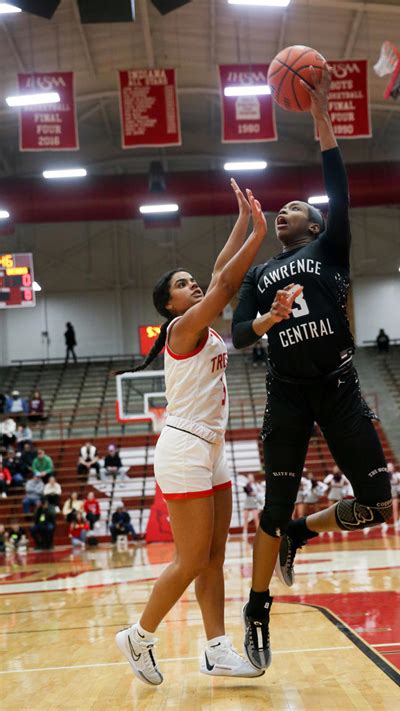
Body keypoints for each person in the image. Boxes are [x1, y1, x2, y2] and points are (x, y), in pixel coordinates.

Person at [231, 62, 392, 671]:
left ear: (316, 224)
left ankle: (306, 532)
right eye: (282, 210)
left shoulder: (331, 248)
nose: (284, 213)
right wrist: (269, 318)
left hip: (341, 387)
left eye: (295, 208)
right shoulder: (260, 273)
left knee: (376, 505)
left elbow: (336, 181)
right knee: (272, 510)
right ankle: (257, 608)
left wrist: (321, 106)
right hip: (288, 396)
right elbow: (240, 333)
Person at [115, 178, 267, 686]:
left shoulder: (196, 323)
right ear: (169, 305)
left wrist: (242, 219)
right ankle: (139, 635)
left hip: (213, 448)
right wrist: (259, 236)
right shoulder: (183, 329)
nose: (193, 285)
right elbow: (226, 285)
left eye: (189, 280)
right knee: (190, 558)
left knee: (217, 556)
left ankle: (215, 648)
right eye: (182, 284)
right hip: (184, 445)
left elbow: (219, 272)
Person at [385, 462, 400, 529]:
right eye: (389, 467)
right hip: (387, 495)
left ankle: (396, 522)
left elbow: (399, 482)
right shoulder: (385, 475)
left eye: (391, 467)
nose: (390, 468)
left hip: (394, 494)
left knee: (395, 509)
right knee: (385, 510)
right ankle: (384, 523)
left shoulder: (396, 475)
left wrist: (398, 481)